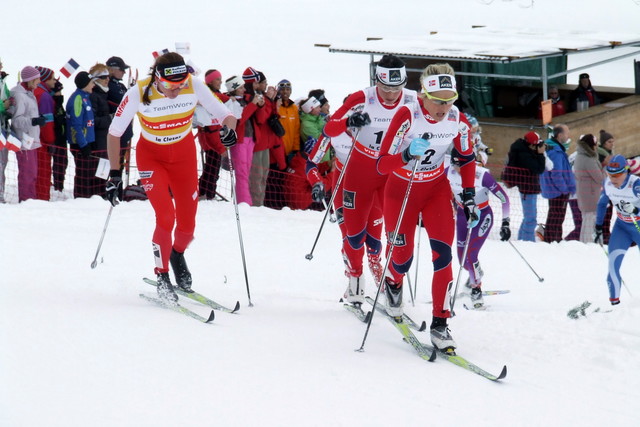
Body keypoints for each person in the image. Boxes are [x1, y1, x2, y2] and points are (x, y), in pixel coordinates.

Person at [106, 52, 236, 303]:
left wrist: (229, 131)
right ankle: (162, 274)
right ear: (157, 78)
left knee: (187, 227)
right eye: (169, 86)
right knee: (165, 217)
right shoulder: (138, 91)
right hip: (152, 157)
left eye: (180, 85)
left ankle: (177, 254)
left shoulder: (194, 85)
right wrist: (114, 173)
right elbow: (114, 133)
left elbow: (225, 115)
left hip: (184, 157)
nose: (176, 91)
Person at [376, 63, 476, 352]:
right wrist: (406, 154)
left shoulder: (458, 119)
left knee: (443, 257)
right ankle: (393, 284)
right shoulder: (407, 115)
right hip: (400, 190)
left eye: (449, 100)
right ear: (423, 95)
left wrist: (468, 194)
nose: (444, 108)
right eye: (438, 101)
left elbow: (467, 158)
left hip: (435, 190)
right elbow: (382, 164)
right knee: (401, 258)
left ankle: (440, 323)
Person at [322, 54, 419, 305]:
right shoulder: (362, 98)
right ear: (376, 82)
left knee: (392, 232)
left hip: (391, 171)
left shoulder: (413, 101)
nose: (390, 95)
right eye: (385, 88)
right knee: (354, 235)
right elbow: (329, 130)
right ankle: (355, 278)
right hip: (361, 170)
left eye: (395, 88)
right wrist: (348, 122)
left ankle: (389, 280)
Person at [447, 149, 510, 309]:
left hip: (482, 216)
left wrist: (506, 222)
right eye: (455, 165)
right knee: (462, 259)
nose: (458, 170)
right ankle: (475, 273)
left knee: (471, 255)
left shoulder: (482, 175)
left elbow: (504, 198)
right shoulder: (449, 173)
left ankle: (476, 289)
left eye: (462, 165)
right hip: (463, 216)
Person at [594, 155, 640, 306]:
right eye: (610, 174)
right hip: (622, 227)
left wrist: (635, 209)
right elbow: (602, 205)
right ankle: (615, 308)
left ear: (626, 172)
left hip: (638, 226)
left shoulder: (635, 184)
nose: (613, 178)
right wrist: (598, 226)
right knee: (612, 267)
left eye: (617, 175)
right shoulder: (607, 183)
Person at [224, 74, 261, 206]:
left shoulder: (244, 100)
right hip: (239, 140)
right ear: (234, 89)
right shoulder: (232, 101)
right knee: (241, 172)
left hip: (249, 138)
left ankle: (244, 200)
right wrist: (253, 105)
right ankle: (244, 202)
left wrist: (257, 104)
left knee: (246, 171)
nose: (244, 90)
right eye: (240, 87)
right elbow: (240, 118)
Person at [9, 66, 45, 202]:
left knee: (33, 174)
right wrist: (34, 121)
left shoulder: (29, 93)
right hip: (24, 141)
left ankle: (31, 200)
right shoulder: (20, 95)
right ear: (30, 80)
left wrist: (36, 119)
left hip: (32, 140)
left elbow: (28, 115)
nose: (39, 82)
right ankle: (26, 200)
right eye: (37, 79)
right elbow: (17, 120)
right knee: (27, 174)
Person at [502, 131, 546, 241]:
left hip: (529, 189)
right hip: (528, 190)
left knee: (528, 218)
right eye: (537, 145)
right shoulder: (524, 155)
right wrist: (540, 154)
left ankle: (522, 240)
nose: (538, 147)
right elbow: (539, 168)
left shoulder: (524, 150)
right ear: (531, 145)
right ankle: (527, 242)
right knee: (531, 220)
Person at [195, 69, 228, 200]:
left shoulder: (214, 95)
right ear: (210, 81)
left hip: (213, 139)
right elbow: (211, 128)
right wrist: (220, 147)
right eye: (218, 79)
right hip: (210, 141)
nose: (221, 82)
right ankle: (208, 194)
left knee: (212, 169)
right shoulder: (209, 97)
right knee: (212, 170)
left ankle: (205, 193)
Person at [540, 124, 576, 242]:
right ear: (560, 135)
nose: (568, 136)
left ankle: (554, 240)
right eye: (566, 133)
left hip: (555, 190)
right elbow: (556, 174)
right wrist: (564, 189)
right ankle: (552, 240)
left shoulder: (554, 148)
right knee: (556, 217)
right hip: (558, 191)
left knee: (555, 216)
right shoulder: (556, 152)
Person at [66, 71, 96, 199]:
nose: (93, 85)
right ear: (85, 84)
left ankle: (86, 197)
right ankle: (81, 198)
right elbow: (76, 124)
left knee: (88, 172)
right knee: (83, 172)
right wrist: (83, 144)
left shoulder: (85, 97)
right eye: (91, 83)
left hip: (87, 141)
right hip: (80, 144)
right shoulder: (78, 98)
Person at [106, 56, 134, 174]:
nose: (124, 72)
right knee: (112, 162)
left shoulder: (121, 86)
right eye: (121, 69)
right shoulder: (108, 85)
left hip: (125, 129)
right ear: (112, 69)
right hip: (114, 129)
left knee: (120, 161)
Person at [574, 134, 604, 243]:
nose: (596, 147)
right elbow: (599, 177)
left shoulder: (582, 155)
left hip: (586, 192)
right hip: (590, 194)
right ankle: (587, 243)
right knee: (589, 220)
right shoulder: (588, 159)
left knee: (587, 218)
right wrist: (605, 173)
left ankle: (587, 242)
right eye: (595, 145)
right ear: (590, 146)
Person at [89, 63, 113, 197]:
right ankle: (98, 195)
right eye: (104, 77)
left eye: (108, 76)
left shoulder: (102, 94)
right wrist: (111, 118)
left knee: (104, 167)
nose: (107, 79)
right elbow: (93, 121)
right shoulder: (94, 95)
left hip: (104, 139)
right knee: (98, 168)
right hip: (98, 141)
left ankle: (101, 192)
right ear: (95, 79)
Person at [33, 66, 57, 201]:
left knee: (33, 171)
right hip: (42, 141)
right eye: (52, 79)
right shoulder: (44, 96)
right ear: (45, 79)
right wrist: (51, 140)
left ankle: (32, 197)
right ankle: (42, 198)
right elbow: (47, 122)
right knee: (43, 171)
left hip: (32, 138)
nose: (54, 82)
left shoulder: (35, 92)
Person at [597, 129, 615, 243]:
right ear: (603, 143)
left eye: (613, 141)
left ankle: (607, 232)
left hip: (611, 186)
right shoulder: (600, 154)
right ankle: (604, 234)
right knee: (605, 210)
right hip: (602, 186)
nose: (612, 144)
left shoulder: (609, 153)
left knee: (610, 211)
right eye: (609, 142)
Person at [276, 79, 300, 161]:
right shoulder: (276, 106)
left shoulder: (294, 108)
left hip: (290, 150)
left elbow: (296, 130)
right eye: (282, 90)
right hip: (277, 148)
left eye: (288, 89)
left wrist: (296, 148)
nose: (285, 92)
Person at [0, 59, 10, 203]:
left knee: (3, 162)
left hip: (3, 127)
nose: (2, 65)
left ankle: (1, 193)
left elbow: (8, 99)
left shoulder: (3, 82)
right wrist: (3, 106)